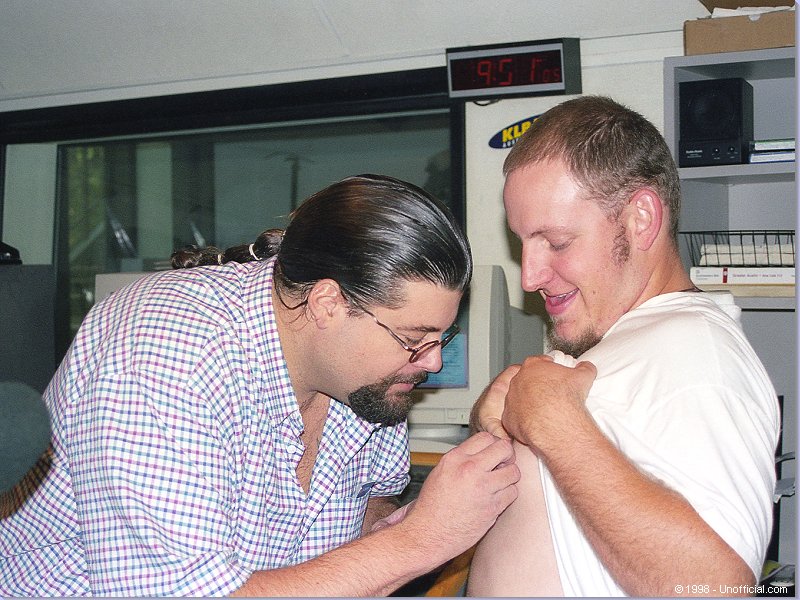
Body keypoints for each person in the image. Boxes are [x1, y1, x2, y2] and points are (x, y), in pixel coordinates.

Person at [0, 174, 520, 596]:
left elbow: (368, 510)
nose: (430, 361)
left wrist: (408, 525)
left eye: (441, 336)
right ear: (327, 304)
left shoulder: (368, 380)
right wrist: (423, 539)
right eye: (414, 338)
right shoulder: (166, 355)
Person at [466, 96, 780, 597]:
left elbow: (718, 589)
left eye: (558, 242)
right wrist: (499, 418)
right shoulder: (636, 339)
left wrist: (552, 423)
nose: (530, 277)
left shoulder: (698, 349)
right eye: (522, 242)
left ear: (640, 218)